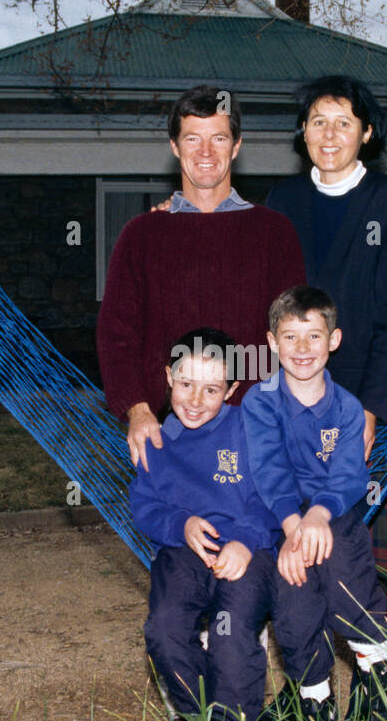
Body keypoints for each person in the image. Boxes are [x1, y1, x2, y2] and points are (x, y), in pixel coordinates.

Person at [265, 76, 387, 624]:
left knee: (380, 554)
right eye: (317, 121)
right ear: (302, 132)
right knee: (303, 544)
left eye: (343, 122)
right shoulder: (282, 202)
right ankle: (308, 679)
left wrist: (371, 409)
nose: (329, 134)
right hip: (299, 399)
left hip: (374, 400)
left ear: (367, 132)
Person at [96, 84, 306, 473]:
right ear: (175, 147)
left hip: (255, 435)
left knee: (256, 536)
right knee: (176, 533)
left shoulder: (275, 232)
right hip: (167, 436)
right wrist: (138, 412)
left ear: (237, 145)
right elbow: (116, 335)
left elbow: (293, 337)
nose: (205, 152)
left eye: (219, 138)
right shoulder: (141, 235)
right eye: (193, 138)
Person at [242, 286, 387, 721]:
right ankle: (314, 699)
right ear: (271, 343)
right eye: (290, 337)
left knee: (345, 569)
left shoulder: (348, 408)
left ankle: (378, 678)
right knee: (293, 601)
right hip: (278, 517)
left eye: (314, 336)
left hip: (333, 511)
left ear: (335, 339)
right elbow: (268, 473)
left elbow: (349, 476)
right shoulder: (260, 402)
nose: (302, 348)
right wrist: (295, 528)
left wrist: (318, 516)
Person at [131, 328, 279, 721]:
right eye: (186, 384)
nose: (195, 401)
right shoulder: (155, 442)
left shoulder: (250, 431)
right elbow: (144, 508)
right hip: (183, 554)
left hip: (249, 552)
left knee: (229, 632)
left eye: (211, 390)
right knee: (164, 630)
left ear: (231, 391)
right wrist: (181, 523)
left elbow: (272, 497)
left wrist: (246, 542)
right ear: (168, 377)